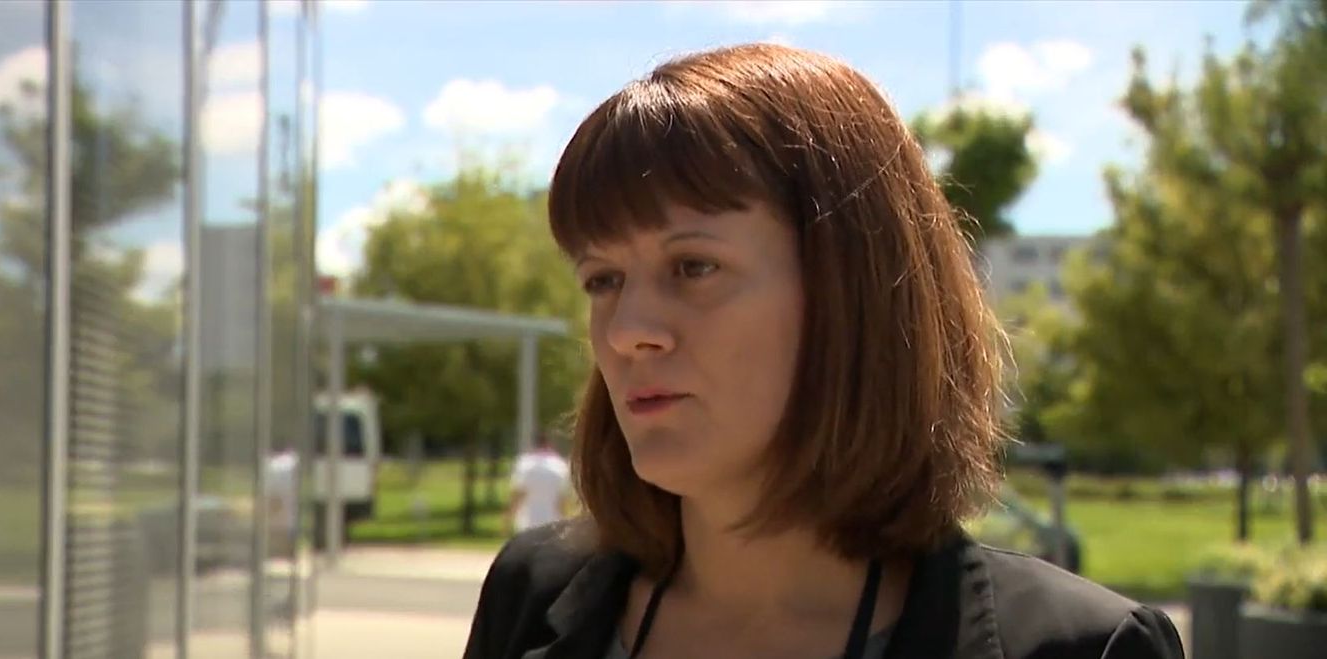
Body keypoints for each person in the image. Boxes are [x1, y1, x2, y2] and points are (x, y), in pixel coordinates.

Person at [462, 44, 1183, 659]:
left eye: (693, 267)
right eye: (603, 279)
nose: (627, 330)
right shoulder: (532, 595)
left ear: (853, 291)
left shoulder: (1084, 647)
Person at [506, 432, 573, 534]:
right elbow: (562, 500)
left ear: (533, 444)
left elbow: (517, 496)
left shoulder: (525, 464)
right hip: (553, 523)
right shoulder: (559, 465)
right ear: (549, 444)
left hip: (527, 523)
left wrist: (508, 518)